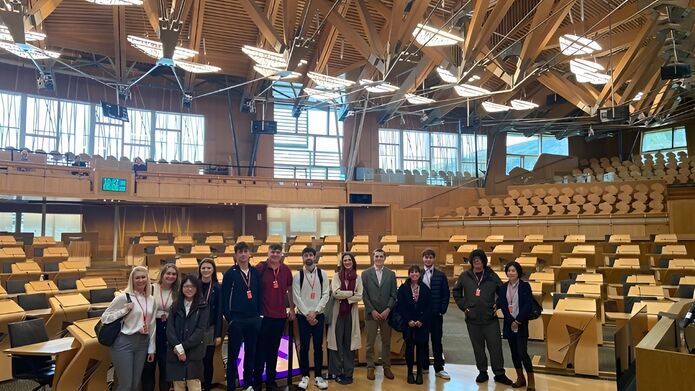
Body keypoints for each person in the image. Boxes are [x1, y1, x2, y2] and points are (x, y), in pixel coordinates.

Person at [452, 249, 513, 385]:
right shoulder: (465, 276)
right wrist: (464, 306)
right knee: (478, 347)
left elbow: (503, 292)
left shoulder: (491, 275)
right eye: (474, 260)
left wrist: (497, 305)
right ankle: (482, 372)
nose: (477, 262)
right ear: (471, 262)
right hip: (472, 319)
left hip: (490, 319)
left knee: (495, 347)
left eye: (479, 259)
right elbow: (456, 292)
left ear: (484, 261)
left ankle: (499, 373)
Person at [101, 266, 156, 391]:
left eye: (143, 277)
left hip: (142, 343)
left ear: (147, 279)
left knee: (136, 383)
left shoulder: (151, 299)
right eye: (137, 278)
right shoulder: (123, 297)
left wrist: (151, 349)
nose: (140, 280)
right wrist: (124, 310)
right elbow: (105, 318)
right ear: (132, 280)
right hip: (124, 342)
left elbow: (152, 325)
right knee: (126, 385)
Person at [253, 243, 295, 391]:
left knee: (273, 350)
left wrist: (292, 309)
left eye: (278, 252)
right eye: (273, 252)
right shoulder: (260, 268)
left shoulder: (285, 270)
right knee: (260, 351)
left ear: (281, 254)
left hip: (280, 317)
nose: (275, 254)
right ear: (268, 252)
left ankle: (271, 381)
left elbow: (290, 290)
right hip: (263, 316)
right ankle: (257, 383)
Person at [222, 241, 262, 391]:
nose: (243, 254)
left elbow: (260, 295)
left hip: (254, 319)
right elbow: (225, 298)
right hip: (237, 320)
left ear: (250, 254)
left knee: (250, 354)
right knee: (233, 355)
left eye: (246, 251)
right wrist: (229, 318)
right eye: (240, 252)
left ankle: (248, 384)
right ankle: (231, 386)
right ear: (236, 255)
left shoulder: (255, 272)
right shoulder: (229, 274)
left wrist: (260, 316)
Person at [292, 247, 330, 390]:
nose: (308, 257)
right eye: (306, 255)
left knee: (318, 347)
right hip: (303, 317)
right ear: (303, 257)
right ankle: (305, 376)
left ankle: (319, 376)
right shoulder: (298, 275)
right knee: (304, 347)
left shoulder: (323, 274)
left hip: (318, 316)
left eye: (311, 255)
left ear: (315, 257)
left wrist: (316, 311)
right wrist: (308, 314)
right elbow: (296, 297)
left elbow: (326, 294)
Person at [166, 274, 210, 391]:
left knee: (194, 385)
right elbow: (170, 329)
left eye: (192, 286)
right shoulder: (175, 306)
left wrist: (182, 347)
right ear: (181, 288)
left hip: (194, 351)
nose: (189, 289)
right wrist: (179, 350)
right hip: (176, 353)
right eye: (186, 286)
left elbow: (200, 330)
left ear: (197, 288)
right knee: (178, 385)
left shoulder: (203, 306)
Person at [498, 261, 535, 390]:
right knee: (514, 353)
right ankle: (520, 378)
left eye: (513, 271)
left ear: (518, 272)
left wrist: (518, 320)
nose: (511, 273)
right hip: (509, 323)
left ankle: (531, 379)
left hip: (521, 323)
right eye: (509, 271)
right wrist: (510, 320)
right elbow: (502, 305)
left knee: (522, 352)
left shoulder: (525, 286)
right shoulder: (503, 287)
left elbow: (528, 305)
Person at [361, 248, 397, 381]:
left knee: (386, 342)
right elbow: (364, 295)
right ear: (373, 258)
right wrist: (373, 310)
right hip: (372, 314)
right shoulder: (365, 274)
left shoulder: (391, 274)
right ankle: (370, 367)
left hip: (386, 314)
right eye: (376, 256)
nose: (379, 259)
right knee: (370, 342)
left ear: (384, 258)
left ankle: (387, 366)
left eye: (381, 256)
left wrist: (388, 309)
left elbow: (394, 294)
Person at [143, 263, 180, 391]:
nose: (171, 276)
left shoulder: (177, 292)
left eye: (174, 274)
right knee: (148, 368)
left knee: (165, 368)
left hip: (168, 330)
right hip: (151, 329)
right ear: (162, 274)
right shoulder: (151, 288)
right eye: (168, 273)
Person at [327, 252, 362, 385]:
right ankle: (336, 372)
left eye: (349, 260)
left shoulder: (358, 278)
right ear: (342, 263)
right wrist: (351, 294)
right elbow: (335, 293)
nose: (347, 262)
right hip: (338, 314)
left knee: (349, 345)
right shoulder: (336, 276)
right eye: (345, 260)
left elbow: (360, 296)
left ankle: (348, 373)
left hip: (350, 315)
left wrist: (345, 297)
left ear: (353, 262)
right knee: (336, 344)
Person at [396, 265, 431, 385]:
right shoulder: (403, 288)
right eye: (412, 272)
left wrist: (421, 320)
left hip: (422, 324)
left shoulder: (425, 288)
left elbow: (429, 307)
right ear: (409, 274)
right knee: (409, 349)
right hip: (408, 324)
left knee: (421, 348)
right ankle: (410, 372)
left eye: (416, 272)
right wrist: (408, 320)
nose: (414, 274)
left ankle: (420, 373)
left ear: (420, 274)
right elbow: (400, 306)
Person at [419, 248, 450, 379]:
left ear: (433, 259)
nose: (428, 259)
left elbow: (446, 294)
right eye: (426, 257)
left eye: (430, 257)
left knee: (437, 341)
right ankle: (424, 366)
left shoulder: (440, 275)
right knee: (423, 341)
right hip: (423, 314)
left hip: (436, 314)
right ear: (423, 259)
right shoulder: (417, 273)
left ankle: (439, 368)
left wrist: (442, 309)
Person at [198, 258, 223, 391]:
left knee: (208, 361)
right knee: (196, 361)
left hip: (210, 329)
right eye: (203, 268)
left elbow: (219, 312)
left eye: (209, 268)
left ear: (213, 270)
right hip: (195, 330)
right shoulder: (194, 285)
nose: (206, 270)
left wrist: (218, 334)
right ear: (200, 270)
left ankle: (207, 387)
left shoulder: (217, 288)